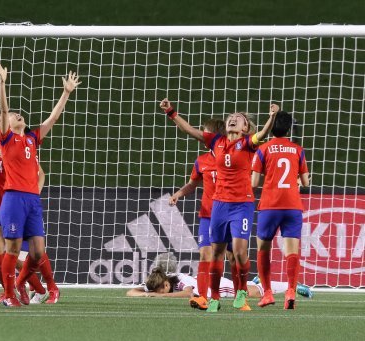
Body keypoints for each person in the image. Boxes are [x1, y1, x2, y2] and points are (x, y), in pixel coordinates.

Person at [161, 97, 279, 312]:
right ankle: (213, 297)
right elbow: (190, 131)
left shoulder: (247, 143)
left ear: (245, 128)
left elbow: (262, 134)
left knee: (240, 252)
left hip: (242, 205)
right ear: (225, 126)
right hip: (219, 206)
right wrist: (171, 112)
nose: (233, 118)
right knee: (216, 253)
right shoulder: (216, 142)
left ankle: (241, 291)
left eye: (239, 118)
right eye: (231, 117)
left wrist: (271, 118)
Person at [0, 60, 80, 306]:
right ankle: (10, 295)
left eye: (17, 114)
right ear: (5, 124)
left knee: (38, 251)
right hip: (12, 198)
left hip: (32, 199)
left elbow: (53, 118)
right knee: (12, 249)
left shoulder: (32, 138)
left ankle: (21, 284)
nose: (16, 114)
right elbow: (3, 108)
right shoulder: (6, 139)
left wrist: (66, 93)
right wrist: (3, 82)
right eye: (12, 115)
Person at [0, 113, 49, 305]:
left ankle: (37, 287)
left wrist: (33, 192)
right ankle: (8, 291)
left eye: (0, 120)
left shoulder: (19, 142)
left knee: (18, 252)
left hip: (18, 202)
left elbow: (40, 173)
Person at [169, 118, 239, 310]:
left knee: (233, 257)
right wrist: (178, 194)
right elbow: (192, 184)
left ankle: (240, 298)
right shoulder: (202, 161)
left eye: (205, 132)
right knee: (205, 254)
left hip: (229, 213)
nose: (202, 134)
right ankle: (202, 297)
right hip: (208, 216)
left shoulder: (231, 157)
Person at [251, 111, 310, 309]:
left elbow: (254, 182)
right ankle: (291, 291)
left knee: (263, 249)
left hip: (270, 205)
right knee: (292, 252)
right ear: (288, 129)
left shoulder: (263, 149)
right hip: (292, 205)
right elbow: (305, 182)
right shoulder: (298, 150)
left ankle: (267, 293)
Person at [126, 268, 312, 301]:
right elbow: (130, 292)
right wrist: (144, 293)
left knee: (255, 293)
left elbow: (189, 294)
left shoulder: (179, 281)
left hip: (217, 288)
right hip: (212, 289)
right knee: (251, 289)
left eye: (163, 289)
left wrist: (159, 296)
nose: (162, 291)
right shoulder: (155, 282)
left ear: (166, 283)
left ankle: (293, 286)